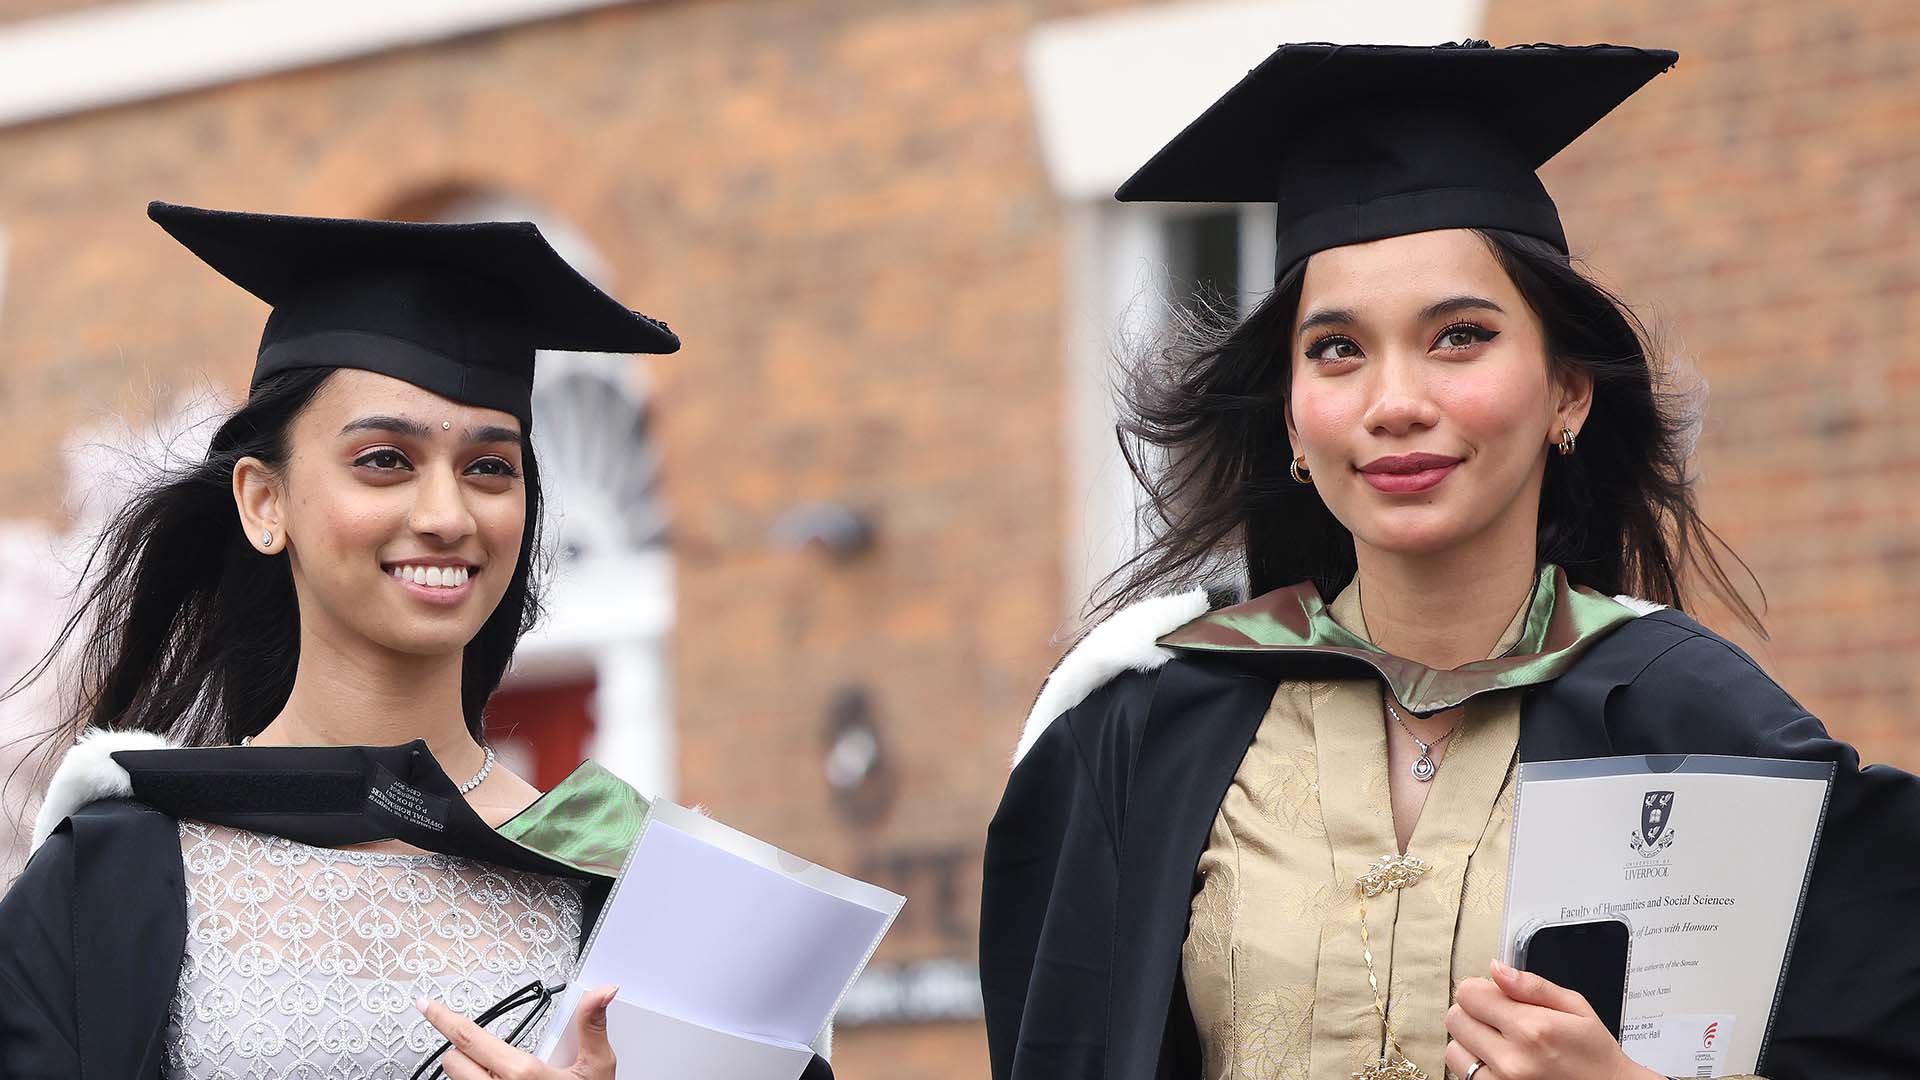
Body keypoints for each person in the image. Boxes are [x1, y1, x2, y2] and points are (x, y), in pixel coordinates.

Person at [980, 41, 1920, 1080]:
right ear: (1292, 419)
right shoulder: (1147, 729)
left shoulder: (1703, 730)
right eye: (1337, 348)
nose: (1394, 404)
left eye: (1460, 336)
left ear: (1568, 391)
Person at [0, 202, 835, 1080]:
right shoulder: (112, 880)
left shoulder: (644, 893)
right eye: (384, 460)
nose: (446, 516)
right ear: (262, 501)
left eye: (489, 467)